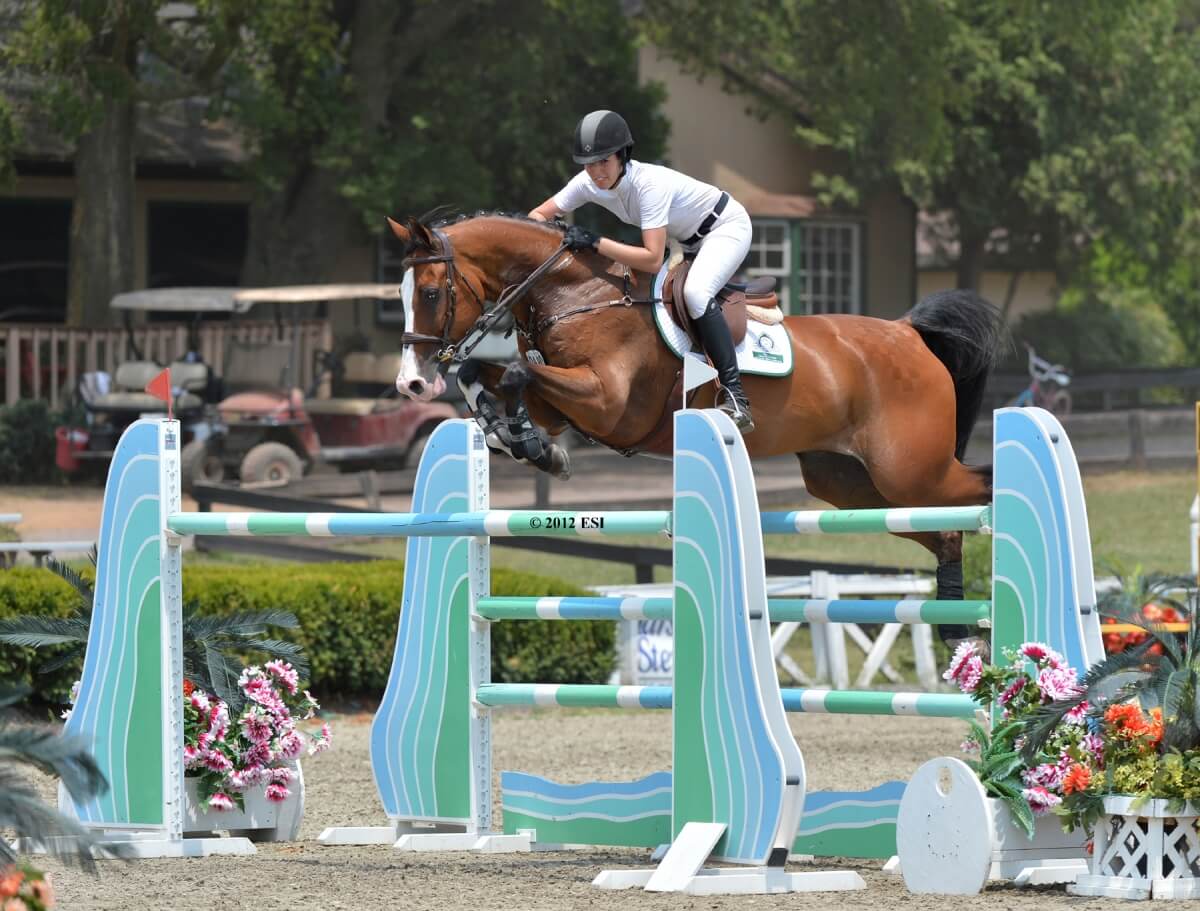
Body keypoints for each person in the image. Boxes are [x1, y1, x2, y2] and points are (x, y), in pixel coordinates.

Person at [528, 110, 755, 433]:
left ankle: (735, 396)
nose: (596, 172)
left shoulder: (649, 185)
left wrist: (594, 242)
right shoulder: (587, 183)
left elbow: (650, 258)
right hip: (686, 239)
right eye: (589, 164)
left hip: (724, 227)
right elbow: (537, 215)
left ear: (622, 157)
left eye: (603, 162)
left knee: (694, 293)